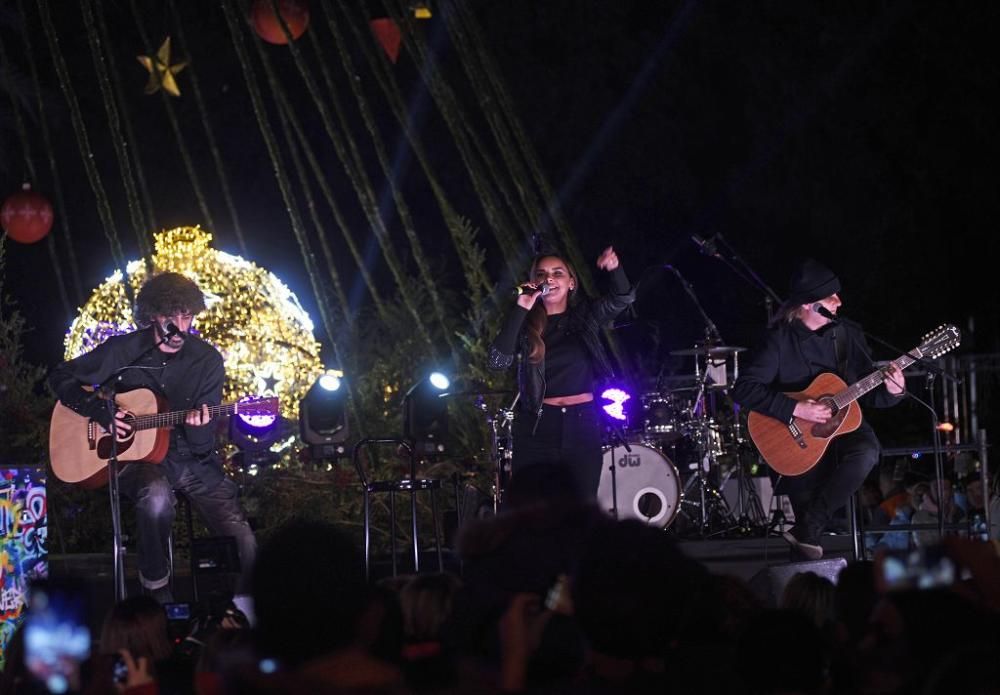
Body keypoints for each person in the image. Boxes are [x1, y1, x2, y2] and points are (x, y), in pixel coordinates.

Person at [49, 272, 256, 605]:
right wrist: (101, 412)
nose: (178, 325)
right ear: (152, 315)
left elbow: (203, 447)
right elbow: (60, 376)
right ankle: (156, 593)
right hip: (139, 461)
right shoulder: (125, 350)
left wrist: (200, 425)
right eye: (169, 317)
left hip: (192, 461)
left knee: (238, 530)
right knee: (155, 496)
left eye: (186, 316)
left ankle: (247, 607)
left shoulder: (207, 361)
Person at [732, 259, 905, 559]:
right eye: (831, 297)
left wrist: (894, 390)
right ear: (811, 305)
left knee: (867, 450)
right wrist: (796, 408)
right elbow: (744, 389)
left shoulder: (848, 335)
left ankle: (812, 523)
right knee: (806, 553)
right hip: (796, 441)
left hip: (844, 431)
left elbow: (866, 392)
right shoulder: (779, 341)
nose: (839, 302)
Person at [488, 247, 635, 500]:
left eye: (558, 273)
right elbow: (497, 361)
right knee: (534, 512)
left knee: (581, 509)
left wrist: (615, 268)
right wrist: (522, 308)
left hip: (582, 424)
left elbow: (622, 298)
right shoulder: (525, 323)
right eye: (542, 274)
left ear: (571, 283)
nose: (550, 278)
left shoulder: (586, 316)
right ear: (535, 282)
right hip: (537, 427)